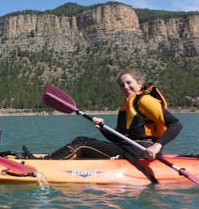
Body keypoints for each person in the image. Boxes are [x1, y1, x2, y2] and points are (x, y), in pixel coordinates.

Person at [42, 69, 182, 161]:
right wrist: (102, 127)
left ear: (140, 84)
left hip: (142, 151)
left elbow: (175, 124)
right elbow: (118, 138)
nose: (125, 87)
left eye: (129, 82)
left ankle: (46, 163)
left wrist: (157, 146)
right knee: (81, 139)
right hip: (127, 148)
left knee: (83, 145)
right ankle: (52, 159)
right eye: (122, 85)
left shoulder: (145, 100)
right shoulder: (127, 105)